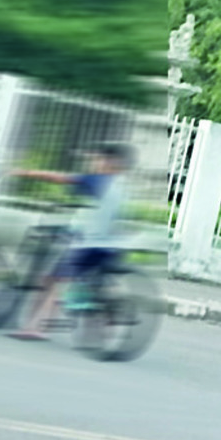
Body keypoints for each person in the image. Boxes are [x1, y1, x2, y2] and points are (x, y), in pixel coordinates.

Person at [7, 143, 134, 341]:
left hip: (88, 246)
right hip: (111, 246)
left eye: (98, 159)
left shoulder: (96, 181)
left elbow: (58, 178)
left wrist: (25, 172)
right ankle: (111, 313)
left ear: (110, 162)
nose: (94, 163)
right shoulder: (122, 187)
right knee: (87, 284)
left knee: (54, 283)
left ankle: (36, 327)